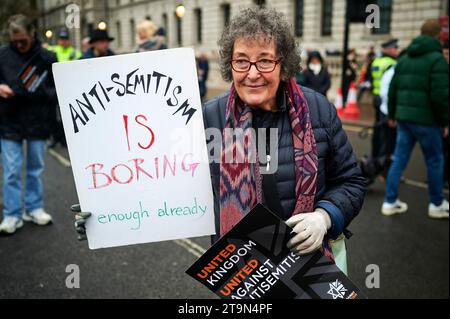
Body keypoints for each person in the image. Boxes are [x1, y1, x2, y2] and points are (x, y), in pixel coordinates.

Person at [72, 8, 365, 273]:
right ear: (229, 65)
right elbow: (163, 180)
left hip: (314, 265)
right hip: (243, 271)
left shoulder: (317, 109)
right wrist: (106, 216)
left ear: (283, 64)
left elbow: (351, 180)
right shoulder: (207, 117)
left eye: (265, 61)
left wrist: (325, 217)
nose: (252, 74)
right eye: (241, 61)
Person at [381, 19, 449, 219]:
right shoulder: (437, 59)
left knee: (399, 159)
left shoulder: (404, 58)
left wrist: (392, 114)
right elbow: (440, 95)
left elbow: (393, 89)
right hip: (427, 120)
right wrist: (445, 121)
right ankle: (436, 204)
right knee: (435, 160)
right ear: (438, 36)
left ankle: (390, 201)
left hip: (403, 118)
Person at [0, 14, 56, 234]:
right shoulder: (2, 55)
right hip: (9, 119)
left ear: (33, 33)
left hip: (38, 119)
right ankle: (12, 214)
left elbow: (59, 86)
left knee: (35, 169)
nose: (20, 45)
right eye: (15, 41)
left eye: (23, 40)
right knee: (11, 170)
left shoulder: (46, 57)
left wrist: (40, 92)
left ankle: (34, 207)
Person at [48, 30, 81, 148]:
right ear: (58, 40)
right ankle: (55, 137)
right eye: (62, 39)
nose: (64, 41)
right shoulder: (52, 50)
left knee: (66, 116)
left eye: (65, 39)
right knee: (53, 115)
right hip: (54, 87)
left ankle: (65, 140)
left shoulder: (75, 52)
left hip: (69, 88)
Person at [370, 39, 399, 161]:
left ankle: (375, 155)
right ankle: (382, 162)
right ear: (388, 49)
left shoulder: (376, 61)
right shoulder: (391, 63)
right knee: (387, 134)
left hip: (376, 98)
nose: (397, 50)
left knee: (377, 129)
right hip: (386, 101)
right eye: (395, 48)